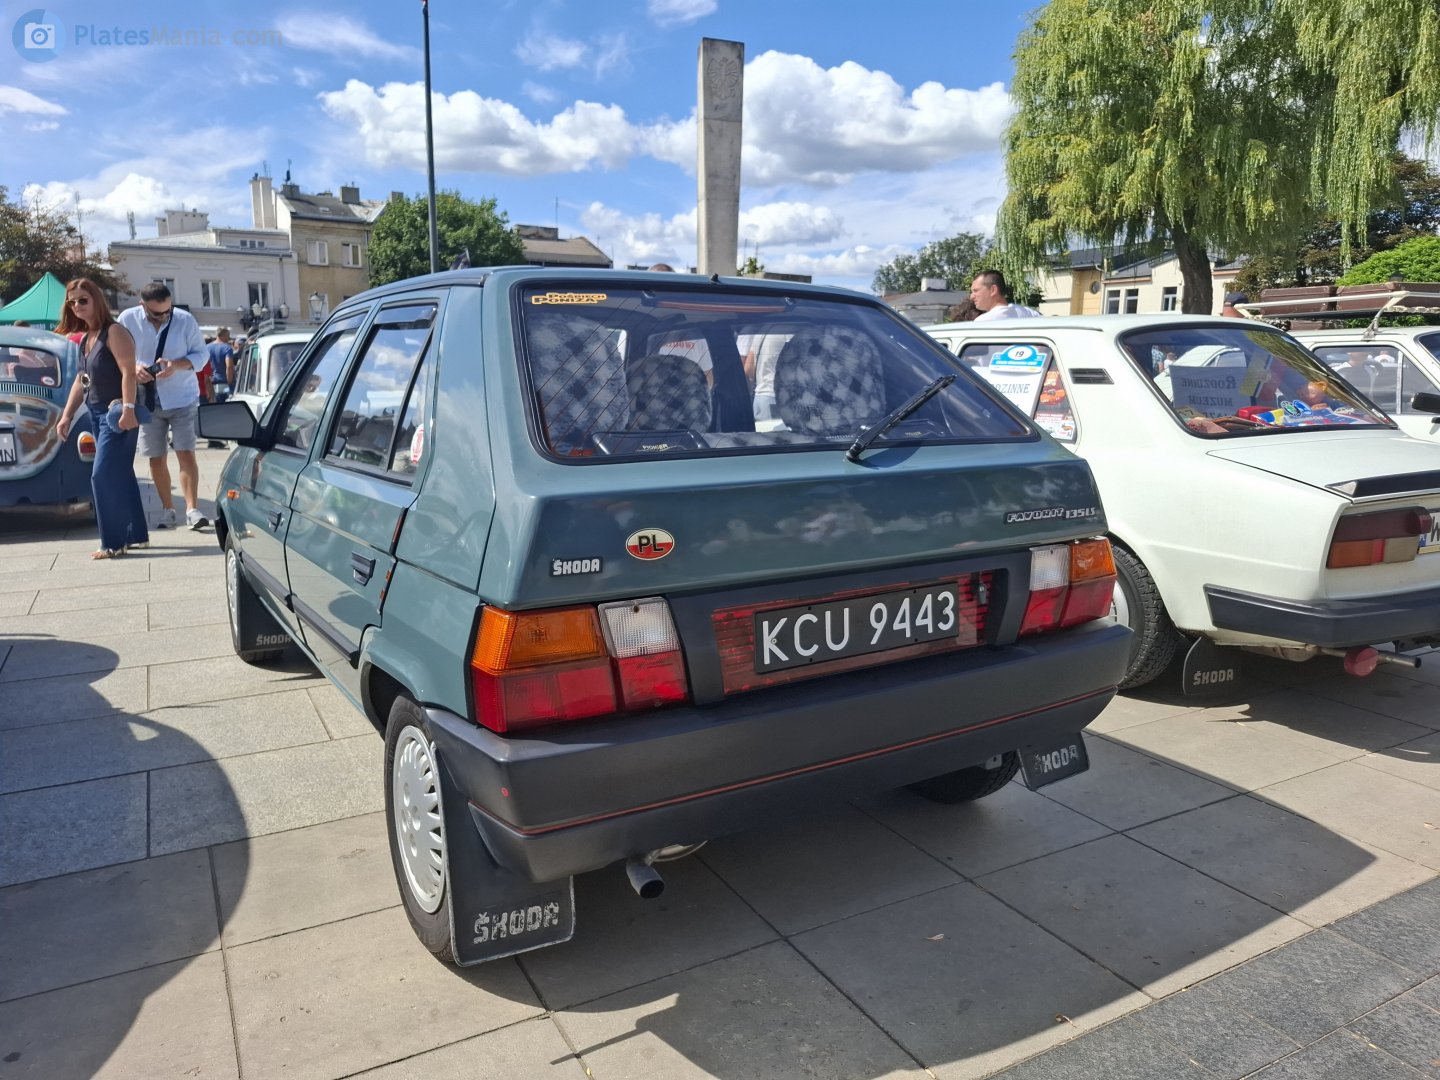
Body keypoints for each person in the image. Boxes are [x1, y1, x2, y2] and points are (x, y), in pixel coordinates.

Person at [53, 278, 150, 558]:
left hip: (117, 413)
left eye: (83, 300)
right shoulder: (85, 338)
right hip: (97, 414)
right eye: (72, 301)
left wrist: (130, 410)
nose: (76, 305)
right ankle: (136, 535)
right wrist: (67, 415)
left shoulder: (114, 331)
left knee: (102, 476)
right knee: (121, 474)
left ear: (97, 300)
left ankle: (113, 542)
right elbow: (80, 381)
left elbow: (129, 372)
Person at [118, 284, 210, 530]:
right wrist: (134, 367)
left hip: (182, 397)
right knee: (155, 457)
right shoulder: (126, 319)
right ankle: (168, 509)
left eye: (168, 310)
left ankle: (192, 509)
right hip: (145, 400)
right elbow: (115, 355)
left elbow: (202, 355)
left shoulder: (184, 320)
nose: (165, 316)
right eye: (158, 313)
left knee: (186, 451)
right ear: (142, 305)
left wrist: (177, 365)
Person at [970, 270, 1042, 321]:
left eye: (976, 291)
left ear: (993, 290)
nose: (971, 297)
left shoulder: (982, 322)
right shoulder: (1029, 314)